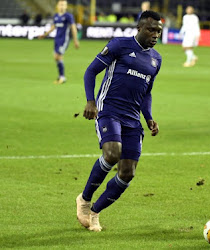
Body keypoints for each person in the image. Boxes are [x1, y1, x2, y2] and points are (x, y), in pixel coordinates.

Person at [76, 10, 162, 232]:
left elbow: (147, 92)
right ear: (139, 28)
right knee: (112, 153)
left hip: (133, 119)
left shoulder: (156, 59)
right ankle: (84, 200)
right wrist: (90, 101)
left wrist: (149, 117)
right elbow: (91, 71)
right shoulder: (119, 45)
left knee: (127, 172)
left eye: (158, 31)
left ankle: (95, 212)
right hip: (109, 110)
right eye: (151, 30)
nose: (155, 34)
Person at [38, 0, 79, 84]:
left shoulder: (68, 16)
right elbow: (53, 27)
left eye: (64, 5)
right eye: (60, 5)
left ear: (66, 6)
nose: (62, 6)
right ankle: (61, 75)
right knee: (56, 57)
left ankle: (62, 77)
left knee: (58, 56)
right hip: (57, 39)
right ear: (57, 6)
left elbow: (73, 28)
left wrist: (75, 40)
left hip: (64, 40)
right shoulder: (56, 16)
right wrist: (44, 35)